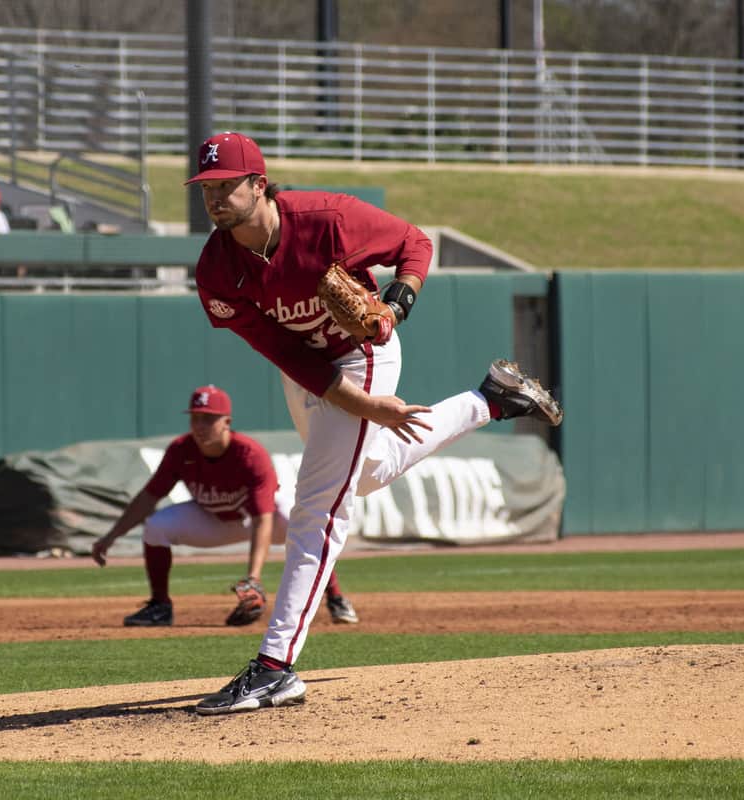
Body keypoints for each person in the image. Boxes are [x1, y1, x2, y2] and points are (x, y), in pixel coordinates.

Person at [186, 132, 563, 715]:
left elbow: (415, 242)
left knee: (317, 506)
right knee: (367, 472)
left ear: (258, 185)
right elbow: (281, 351)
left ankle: (275, 667)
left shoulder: (327, 219)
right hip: (311, 370)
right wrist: (363, 408)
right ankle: (491, 399)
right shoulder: (215, 268)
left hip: (364, 353)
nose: (213, 197)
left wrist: (398, 300)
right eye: (205, 188)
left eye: (225, 185)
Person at [90, 385, 359, 628]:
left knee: (301, 523)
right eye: (195, 418)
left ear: (227, 422)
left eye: (208, 418)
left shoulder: (249, 454)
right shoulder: (181, 450)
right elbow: (148, 498)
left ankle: (335, 597)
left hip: (259, 518)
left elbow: (262, 519)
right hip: (213, 519)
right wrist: (111, 536)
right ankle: (160, 606)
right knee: (157, 526)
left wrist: (253, 577)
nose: (200, 425)